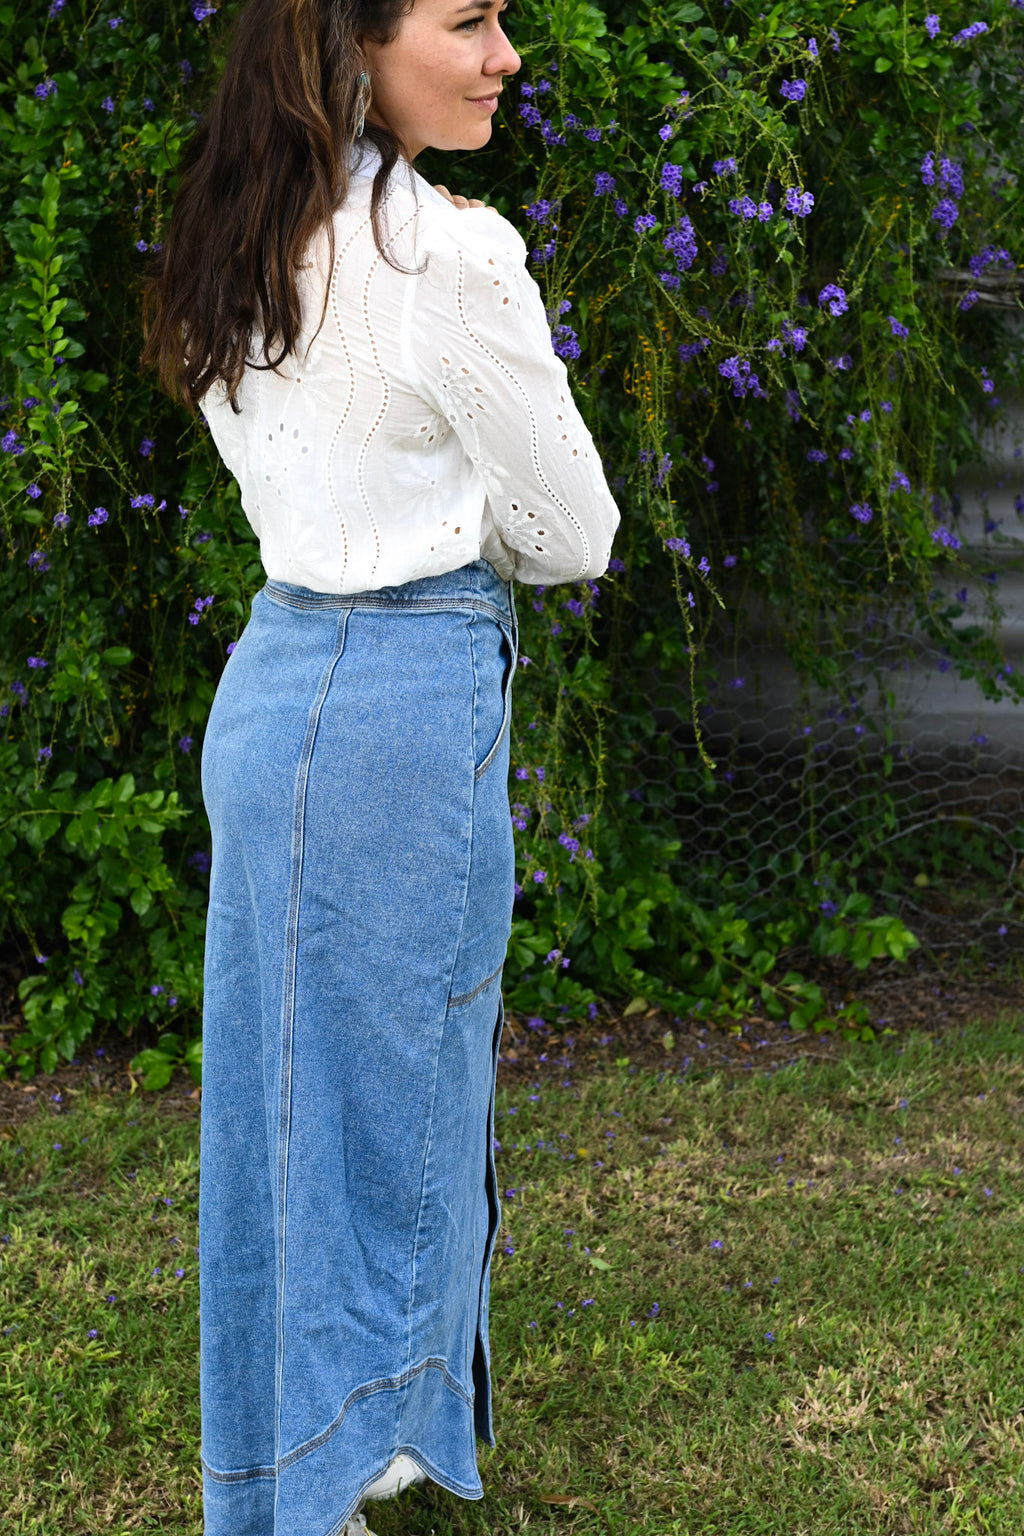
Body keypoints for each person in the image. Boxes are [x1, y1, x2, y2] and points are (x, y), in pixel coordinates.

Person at [140, 0, 620, 1531]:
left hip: (274, 688)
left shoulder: (233, 234)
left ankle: (304, 1467)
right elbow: (576, 536)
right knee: (402, 1104)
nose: (505, 55)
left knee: (284, 1120)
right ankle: (340, 1465)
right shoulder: (446, 255)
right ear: (351, 43)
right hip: (405, 701)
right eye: (468, 20)